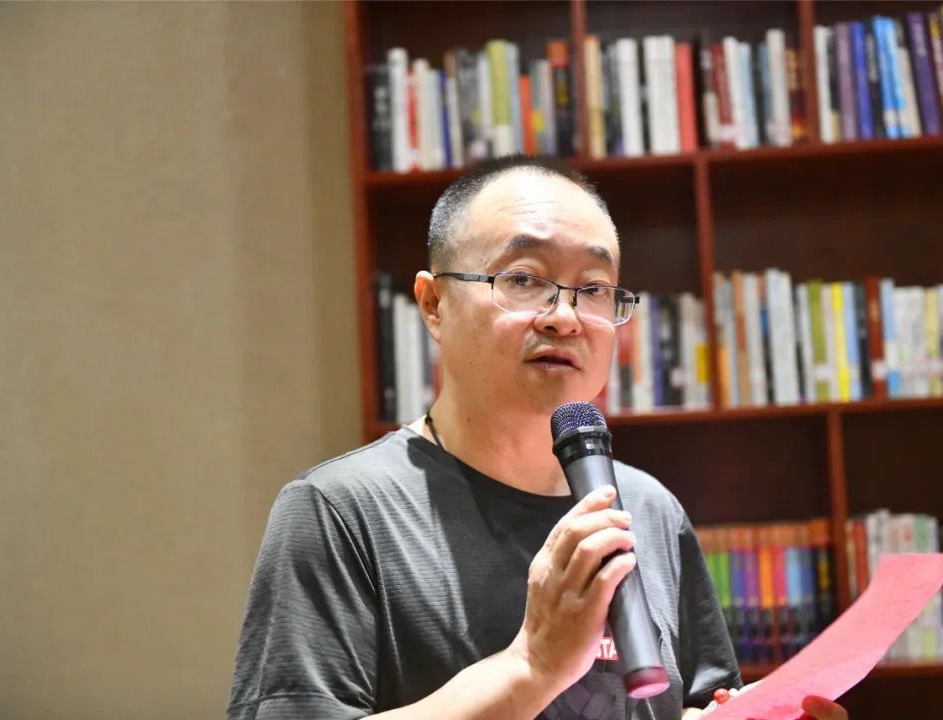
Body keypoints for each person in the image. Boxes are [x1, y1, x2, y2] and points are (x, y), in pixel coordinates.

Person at [226, 155, 848, 720]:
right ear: (434, 303)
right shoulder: (338, 512)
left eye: (595, 288)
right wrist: (531, 667)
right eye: (524, 279)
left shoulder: (649, 508)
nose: (565, 317)